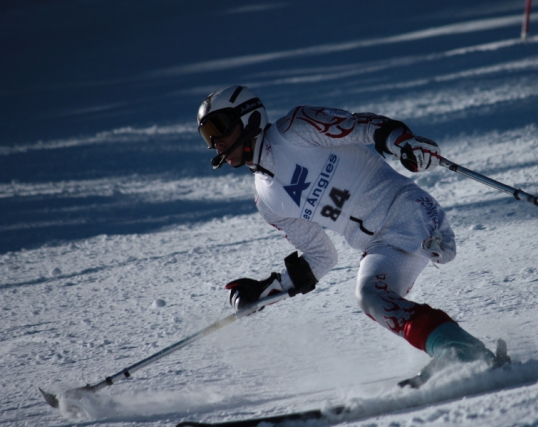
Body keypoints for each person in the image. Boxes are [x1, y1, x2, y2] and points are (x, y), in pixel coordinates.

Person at [197, 85, 507, 384]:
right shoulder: (267, 202)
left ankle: (459, 352)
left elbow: (364, 126)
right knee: (372, 297)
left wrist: (401, 142)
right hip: (381, 244)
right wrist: (266, 291)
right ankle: (462, 351)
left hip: (406, 210)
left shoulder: (295, 127)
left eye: (219, 127)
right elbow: (321, 258)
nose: (216, 142)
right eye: (207, 135)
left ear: (248, 116)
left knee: (372, 295)